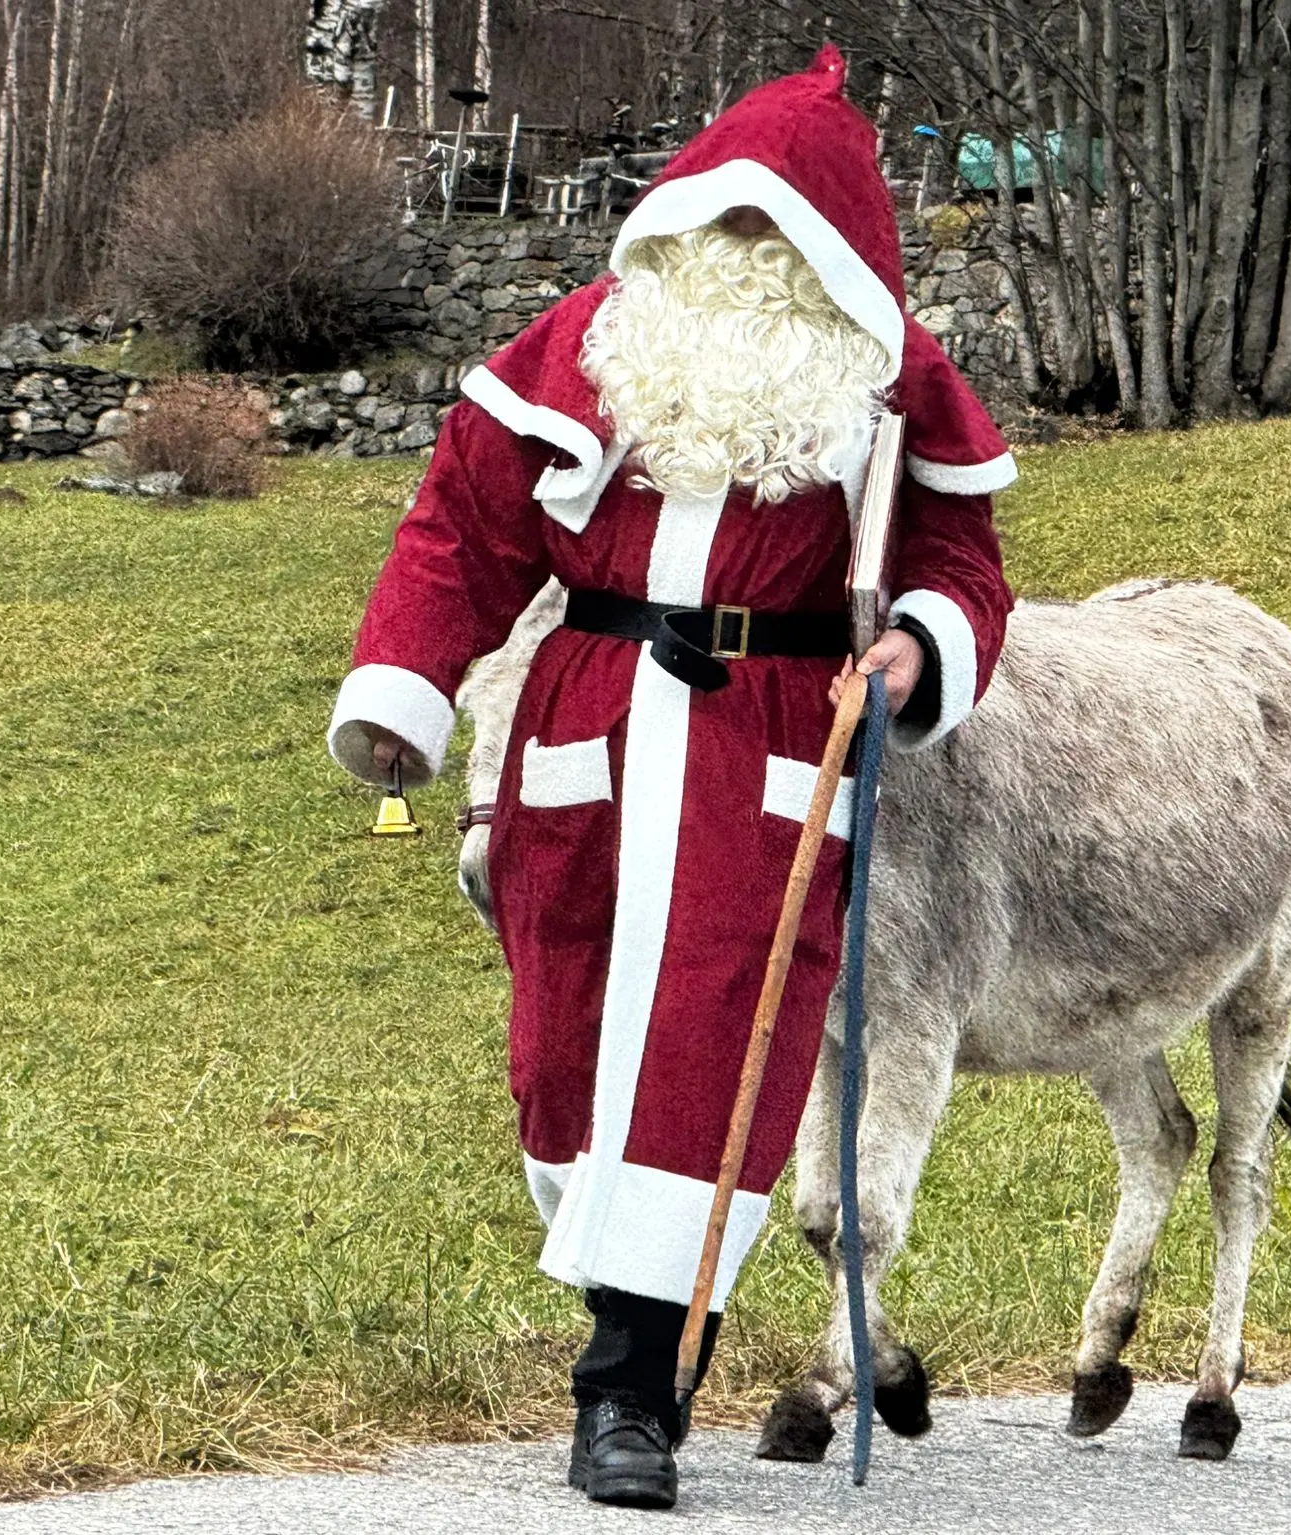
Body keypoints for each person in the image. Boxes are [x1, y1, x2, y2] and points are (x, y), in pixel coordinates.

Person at [324, 45, 1015, 1509]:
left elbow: (962, 559)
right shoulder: (590, 342)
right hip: (590, 728)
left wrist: (922, 652)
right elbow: (462, 528)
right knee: (565, 1049)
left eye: (783, 232)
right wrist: (406, 693)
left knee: (719, 1057)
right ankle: (626, 1325)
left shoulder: (886, 380)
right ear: (685, 222)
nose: (750, 258)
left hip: (769, 742)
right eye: (730, 226)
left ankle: (633, 1390)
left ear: (831, 247)